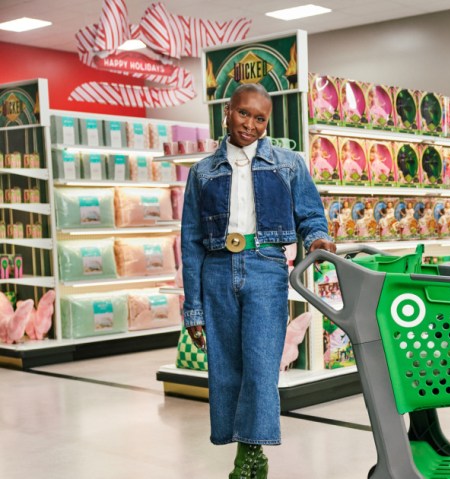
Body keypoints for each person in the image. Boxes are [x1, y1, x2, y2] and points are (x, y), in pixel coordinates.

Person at [182, 83, 336, 478]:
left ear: (268, 123)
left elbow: (310, 215)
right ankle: (247, 448)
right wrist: (193, 308)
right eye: (242, 113)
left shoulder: (288, 164)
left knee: (261, 366)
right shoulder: (201, 173)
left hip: (267, 268)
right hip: (216, 271)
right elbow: (191, 244)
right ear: (227, 112)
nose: (249, 124)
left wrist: (317, 238)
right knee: (226, 368)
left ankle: (250, 455)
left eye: (259, 118)